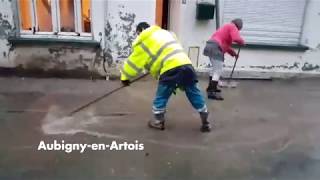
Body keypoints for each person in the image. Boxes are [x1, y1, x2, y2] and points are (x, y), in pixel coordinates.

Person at [120, 22, 211, 132]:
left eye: (138, 33)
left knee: (162, 96)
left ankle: (158, 122)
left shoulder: (144, 41)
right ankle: (205, 120)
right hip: (186, 65)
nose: (138, 36)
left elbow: (132, 63)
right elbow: (168, 51)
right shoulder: (166, 33)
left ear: (141, 31)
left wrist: (125, 78)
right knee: (193, 91)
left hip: (170, 69)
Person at [203, 18, 245, 100]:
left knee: (214, 69)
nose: (238, 31)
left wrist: (234, 54)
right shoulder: (232, 27)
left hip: (210, 45)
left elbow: (225, 46)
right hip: (216, 47)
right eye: (239, 29)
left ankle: (211, 88)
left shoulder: (226, 27)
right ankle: (211, 92)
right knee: (218, 70)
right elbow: (236, 38)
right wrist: (242, 42)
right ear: (239, 26)